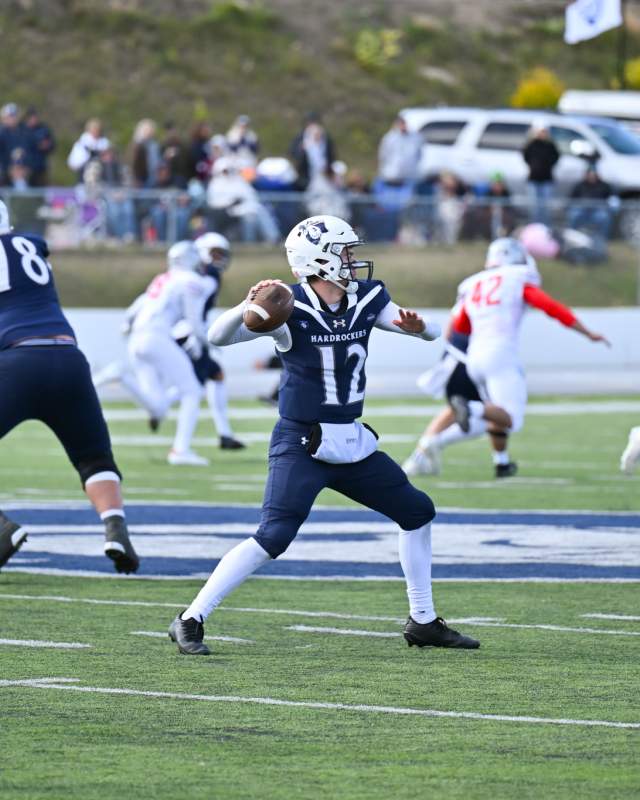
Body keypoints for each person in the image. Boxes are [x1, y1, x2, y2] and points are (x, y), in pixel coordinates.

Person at [168, 214, 480, 655]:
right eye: (344, 252)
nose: (353, 260)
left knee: (417, 512)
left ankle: (423, 620)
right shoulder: (287, 307)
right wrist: (247, 305)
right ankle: (190, 618)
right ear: (318, 259)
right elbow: (218, 337)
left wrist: (418, 327)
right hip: (302, 442)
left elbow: (428, 332)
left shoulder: (367, 297)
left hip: (351, 440)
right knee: (273, 536)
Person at [0, 200, 139, 573]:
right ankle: (115, 527)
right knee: (93, 457)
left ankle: (1, 531)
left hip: (17, 362)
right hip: (69, 359)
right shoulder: (29, 245)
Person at [436, 238, 610, 469]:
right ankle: (469, 408)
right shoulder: (516, 278)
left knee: (496, 413)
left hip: (474, 356)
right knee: (511, 418)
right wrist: (588, 333)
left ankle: (500, 462)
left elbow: (460, 326)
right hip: (499, 353)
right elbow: (552, 308)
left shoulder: (474, 284)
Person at [125, 241, 215, 466]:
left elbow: (137, 307)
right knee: (192, 391)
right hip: (156, 336)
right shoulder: (190, 280)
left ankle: (120, 376)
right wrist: (209, 341)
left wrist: (126, 324)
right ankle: (180, 450)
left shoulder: (163, 278)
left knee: (157, 406)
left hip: (136, 338)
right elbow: (193, 320)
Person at [522, 122, 559, 226]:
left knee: (545, 207)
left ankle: (545, 227)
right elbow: (525, 156)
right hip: (533, 179)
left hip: (547, 179)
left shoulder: (550, 145)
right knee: (534, 207)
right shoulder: (531, 144)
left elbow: (556, 157)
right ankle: (534, 227)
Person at [566, 164, 615, 240]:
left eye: (593, 174)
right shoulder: (579, 185)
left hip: (597, 210)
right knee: (573, 215)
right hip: (582, 210)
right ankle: (572, 238)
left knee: (604, 217)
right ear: (586, 174)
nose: (591, 176)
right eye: (590, 174)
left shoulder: (604, 186)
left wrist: (613, 205)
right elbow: (571, 199)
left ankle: (601, 239)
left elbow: (613, 199)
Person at [289, 113, 336, 191]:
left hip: (324, 176)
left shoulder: (326, 139)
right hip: (305, 177)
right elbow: (293, 154)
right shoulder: (300, 138)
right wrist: (303, 149)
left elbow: (331, 156)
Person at [376, 115, 422, 190]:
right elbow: (383, 155)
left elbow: (418, 155)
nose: (402, 126)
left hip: (409, 174)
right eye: (400, 124)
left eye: (403, 124)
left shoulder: (415, 138)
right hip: (391, 175)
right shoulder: (389, 138)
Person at [67, 118, 111, 184]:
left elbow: (109, 158)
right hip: (84, 175)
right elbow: (74, 163)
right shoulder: (82, 143)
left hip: (104, 175)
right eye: (94, 129)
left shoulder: (104, 142)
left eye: (97, 130)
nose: (96, 132)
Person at [22, 107, 55, 188]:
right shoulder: (22, 129)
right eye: (32, 118)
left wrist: (47, 145)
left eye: (35, 117)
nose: (34, 119)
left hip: (40, 167)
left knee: (40, 190)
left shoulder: (43, 129)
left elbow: (52, 145)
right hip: (25, 168)